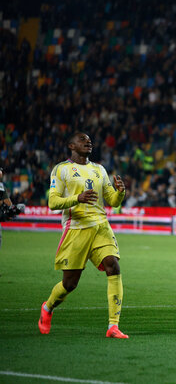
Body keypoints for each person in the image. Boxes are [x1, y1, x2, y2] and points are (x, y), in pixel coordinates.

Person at [38, 132, 128, 338]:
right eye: (82, 139)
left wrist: (120, 192)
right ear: (71, 145)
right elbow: (52, 202)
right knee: (70, 284)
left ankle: (113, 326)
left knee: (112, 264)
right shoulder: (61, 170)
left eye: (89, 140)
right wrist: (77, 198)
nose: (88, 142)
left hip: (100, 226)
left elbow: (112, 201)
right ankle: (48, 307)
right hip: (76, 229)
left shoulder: (99, 169)